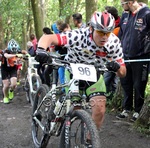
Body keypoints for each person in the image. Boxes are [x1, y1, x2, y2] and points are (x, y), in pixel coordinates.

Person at [36, 11, 126, 131]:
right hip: (73, 71)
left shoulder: (113, 42)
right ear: (91, 28)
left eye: (107, 33)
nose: (104, 37)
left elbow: (123, 72)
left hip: (94, 74)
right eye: (100, 32)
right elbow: (49, 37)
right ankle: (57, 112)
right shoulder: (78, 35)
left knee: (100, 110)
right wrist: (41, 49)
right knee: (74, 108)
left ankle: (90, 141)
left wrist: (117, 67)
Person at [116, 0, 150, 122]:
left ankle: (138, 111)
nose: (122, 6)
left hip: (141, 57)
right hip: (125, 56)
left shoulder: (147, 13)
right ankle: (127, 109)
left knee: (139, 84)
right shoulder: (125, 15)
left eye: (122, 3)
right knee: (126, 83)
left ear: (130, 2)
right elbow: (121, 34)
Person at [103, 6, 121, 99]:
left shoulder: (119, 26)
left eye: (105, 13)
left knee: (113, 79)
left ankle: (111, 97)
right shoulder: (106, 25)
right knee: (107, 79)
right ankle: (108, 97)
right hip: (107, 55)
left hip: (117, 56)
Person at [1, 39, 25, 104]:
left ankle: (11, 91)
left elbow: (24, 52)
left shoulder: (18, 50)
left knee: (14, 84)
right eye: (12, 51)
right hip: (4, 69)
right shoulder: (5, 51)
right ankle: (5, 97)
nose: (14, 52)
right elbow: (6, 56)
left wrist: (26, 55)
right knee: (6, 85)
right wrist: (15, 55)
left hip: (13, 68)